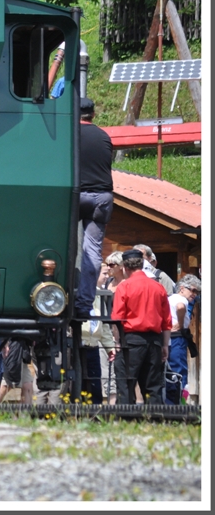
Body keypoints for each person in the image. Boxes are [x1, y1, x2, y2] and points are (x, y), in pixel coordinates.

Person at [111, 249, 172, 405]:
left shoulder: (124, 287)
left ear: (124, 267)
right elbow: (166, 320)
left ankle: (126, 418)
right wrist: (165, 345)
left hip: (131, 340)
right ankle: (156, 419)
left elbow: (117, 318)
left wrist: (117, 342)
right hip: (155, 340)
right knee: (153, 385)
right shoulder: (158, 287)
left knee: (125, 381)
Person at [75, 97, 114, 319]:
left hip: (76, 195)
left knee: (66, 245)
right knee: (92, 251)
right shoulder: (103, 136)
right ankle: (85, 303)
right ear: (94, 114)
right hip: (102, 197)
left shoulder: (69, 135)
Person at [166, 276, 201, 404]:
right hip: (177, 338)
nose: (194, 294)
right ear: (182, 288)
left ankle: (170, 402)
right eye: (192, 290)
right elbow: (180, 307)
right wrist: (180, 324)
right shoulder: (181, 299)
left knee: (169, 371)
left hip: (168, 337)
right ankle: (177, 405)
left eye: (197, 292)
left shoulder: (169, 298)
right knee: (178, 372)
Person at [97, 251, 126, 404]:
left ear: (121, 266)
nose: (108, 268)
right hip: (107, 330)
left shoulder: (125, 285)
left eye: (111, 265)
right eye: (106, 264)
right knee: (106, 372)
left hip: (120, 332)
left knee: (118, 373)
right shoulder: (109, 284)